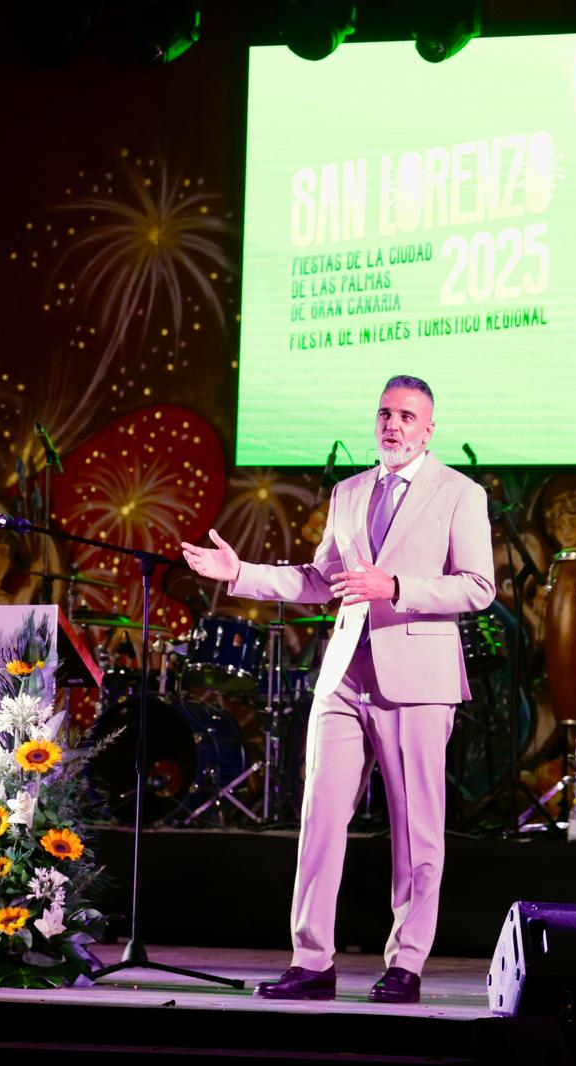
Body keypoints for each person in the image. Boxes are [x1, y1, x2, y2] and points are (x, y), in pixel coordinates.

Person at [182, 375, 495, 1004]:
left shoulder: (460, 493)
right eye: (385, 413)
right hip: (346, 676)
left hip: (418, 680)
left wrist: (396, 587)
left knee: (417, 831)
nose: (393, 425)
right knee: (320, 820)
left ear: (429, 429)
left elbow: (478, 587)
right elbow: (320, 579)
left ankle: (406, 964)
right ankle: (311, 962)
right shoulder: (349, 492)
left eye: (407, 416)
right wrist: (240, 573)